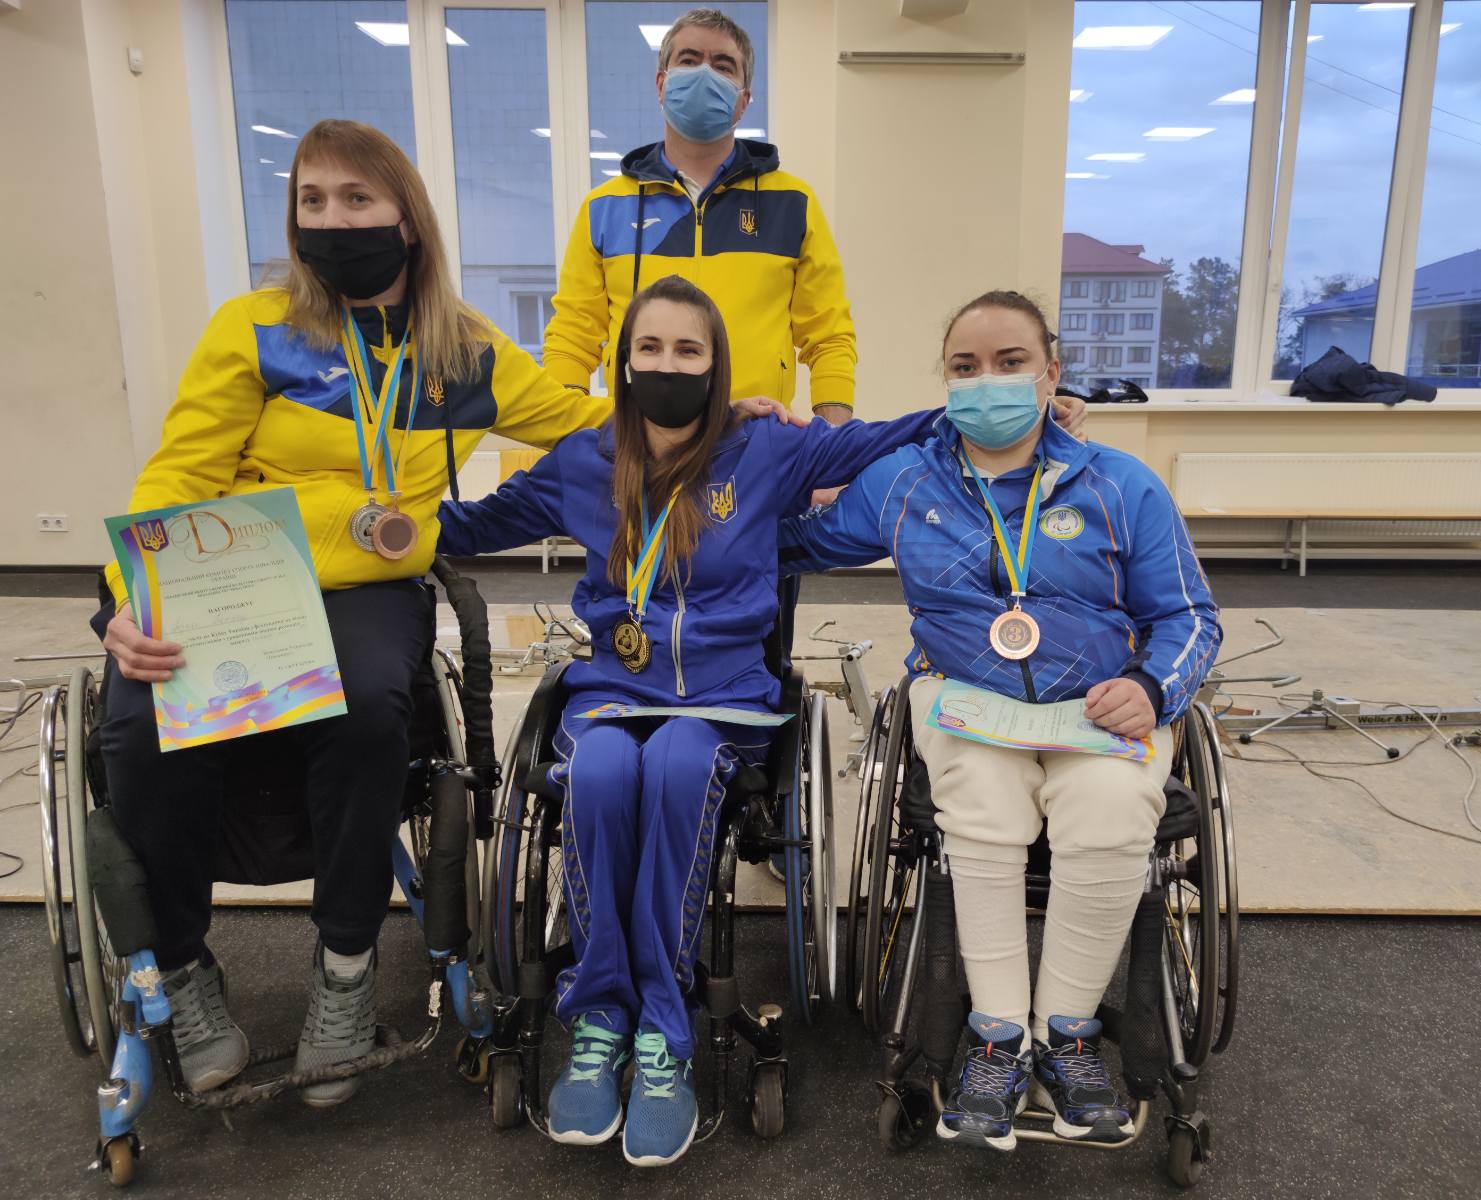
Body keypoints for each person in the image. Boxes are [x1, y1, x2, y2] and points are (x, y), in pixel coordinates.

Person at [93, 119, 645, 1108]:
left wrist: (725, 413)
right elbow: (178, 476)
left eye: (356, 199)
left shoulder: (461, 351)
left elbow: (586, 421)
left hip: (368, 586)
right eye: (313, 200)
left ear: (406, 218)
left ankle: (345, 969)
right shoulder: (253, 328)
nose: (333, 220)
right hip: (233, 576)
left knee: (367, 711)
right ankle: (180, 967)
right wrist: (124, 601)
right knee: (138, 730)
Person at [435, 274, 945, 1166]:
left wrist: (984, 412)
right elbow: (471, 527)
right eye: (650, 348)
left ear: (716, 366)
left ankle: (662, 1033)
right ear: (623, 361)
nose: (667, 365)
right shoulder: (584, 459)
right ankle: (601, 1018)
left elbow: (881, 437)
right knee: (600, 771)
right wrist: (352, 519)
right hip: (613, 689)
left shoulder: (764, 449)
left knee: (675, 763)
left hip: (723, 698)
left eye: (688, 350)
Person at [781, 290, 1221, 1151]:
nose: (987, 381)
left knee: (1110, 809)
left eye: (1009, 363)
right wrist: (757, 458)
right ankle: (997, 1037)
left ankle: (1068, 1037)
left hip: (1096, 705)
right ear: (945, 382)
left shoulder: (1122, 484)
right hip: (966, 700)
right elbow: (791, 540)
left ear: (1051, 374)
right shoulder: (904, 480)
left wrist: (1152, 687)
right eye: (965, 366)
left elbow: (1190, 617)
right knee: (981, 801)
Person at [540, 7, 858, 426]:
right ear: (661, 83)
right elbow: (572, 336)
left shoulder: (792, 202)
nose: (705, 74)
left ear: (743, 100)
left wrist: (834, 442)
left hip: (757, 438)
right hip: (641, 439)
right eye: (689, 60)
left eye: (723, 66)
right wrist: (568, 436)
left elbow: (829, 335)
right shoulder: (605, 207)